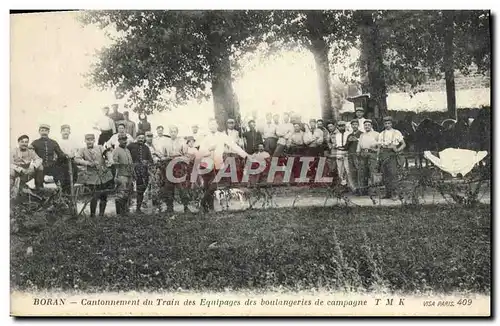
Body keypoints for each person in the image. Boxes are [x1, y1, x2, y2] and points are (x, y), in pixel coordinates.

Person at [196, 118, 248, 212]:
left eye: (214, 124)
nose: (212, 126)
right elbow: (200, 152)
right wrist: (209, 149)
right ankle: (209, 208)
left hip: (217, 164)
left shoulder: (222, 136)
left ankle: (203, 202)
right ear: (208, 126)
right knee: (207, 186)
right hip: (206, 164)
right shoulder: (205, 137)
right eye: (210, 124)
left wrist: (245, 154)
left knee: (213, 186)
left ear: (217, 125)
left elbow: (233, 145)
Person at [74, 134, 114, 217]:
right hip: (92, 176)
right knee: (94, 196)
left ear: (94, 140)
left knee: (104, 195)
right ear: (85, 141)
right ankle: (92, 215)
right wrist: (88, 163)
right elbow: (76, 159)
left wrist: (110, 160)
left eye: (91, 140)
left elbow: (107, 153)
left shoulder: (99, 147)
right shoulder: (82, 150)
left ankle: (101, 215)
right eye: (87, 140)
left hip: (103, 175)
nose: (89, 141)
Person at [30, 124, 67, 191]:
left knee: (60, 172)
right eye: (42, 130)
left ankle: (61, 192)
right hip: (40, 166)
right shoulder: (35, 142)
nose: (44, 132)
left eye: (46, 131)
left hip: (51, 165)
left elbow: (60, 154)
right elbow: (30, 153)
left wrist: (66, 156)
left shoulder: (53, 142)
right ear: (39, 132)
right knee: (38, 178)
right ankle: (39, 192)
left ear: (48, 132)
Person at [163, 125, 190, 213]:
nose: (173, 133)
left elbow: (186, 156)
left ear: (177, 132)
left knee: (181, 186)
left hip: (179, 165)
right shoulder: (166, 143)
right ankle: (169, 207)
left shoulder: (182, 142)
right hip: (169, 165)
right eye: (171, 132)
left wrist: (180, 159)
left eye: (175, 131)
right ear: (169, 133)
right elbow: (164, 155)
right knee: (169, 186)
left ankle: (186, 206)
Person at [378, 116, 406, 199]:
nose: (387, 125)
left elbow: (404, 144)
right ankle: (388, 193)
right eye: (385, 123)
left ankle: (395, 193)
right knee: (385, 174)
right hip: (384, 153)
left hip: (392, 154)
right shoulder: (381, 133)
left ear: (391, 123)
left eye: (389, 123)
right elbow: (379, 146)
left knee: (393, 174)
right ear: (384, 124)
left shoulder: (396, 132)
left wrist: (397, 150)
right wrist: (378, 156)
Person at [127, 132, 153, 213]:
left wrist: (147, 162)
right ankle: (126, 208)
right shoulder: (131, 146)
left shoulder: (146, 148)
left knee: (141, 189)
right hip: (132, 171)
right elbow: (126, 156)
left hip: (143, 172)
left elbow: (150, 160)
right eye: (139, 137)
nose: (141, 139)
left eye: (142, 137)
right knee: (128, 189)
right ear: (136, 138)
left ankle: (138, 208)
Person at [112, 134, 134, 215]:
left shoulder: (127, 150)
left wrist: (133, 173)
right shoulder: (116, 150)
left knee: (127, 193)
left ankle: (125, 211)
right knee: (120, 194)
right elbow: (114, 163)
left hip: (129, 174)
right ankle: (119, 213)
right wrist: (116, 176)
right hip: (121, 175)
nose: (124, 141)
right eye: (122, 139)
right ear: (119, 141)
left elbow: (131, 162)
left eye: (125, 139)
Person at [356, 120, 380, 195]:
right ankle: (363, 190)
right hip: (363, 154)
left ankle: (373, 190)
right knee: (362, 172)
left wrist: (377, 154)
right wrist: (358, 151)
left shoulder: (376, 134)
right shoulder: (362, 135)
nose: (367, 126)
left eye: (368, 125)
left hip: (372, 153)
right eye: (365, 125)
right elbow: (359, 144)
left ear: (371, 126)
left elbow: (379, 145)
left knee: (372, 172)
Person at [332, 121, 352, 188]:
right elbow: (335, 144)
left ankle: (350, 184)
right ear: (338, 127)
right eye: (340, 126)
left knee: (348, 168)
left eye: (343, 126)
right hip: (339, 151)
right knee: (340, 169)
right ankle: (343, 184)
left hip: (346, 152)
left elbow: (349, 144)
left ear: (345, 126)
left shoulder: (349, 134)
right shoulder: (337, 135)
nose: (341, 127)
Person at [345, 120, 363, 194]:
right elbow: (346, 147)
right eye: (353, 125)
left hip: (358, 155)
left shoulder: (362, 134)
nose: (354, 126)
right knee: (352, 172)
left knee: (359, 171)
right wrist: (349, 141)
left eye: (356, 124)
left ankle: (361, 188)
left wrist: (357, 140)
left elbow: (363, 144)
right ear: (351, 126)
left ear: (358, 125)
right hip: (350, 155)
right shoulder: (349, 135)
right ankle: (355, 188)